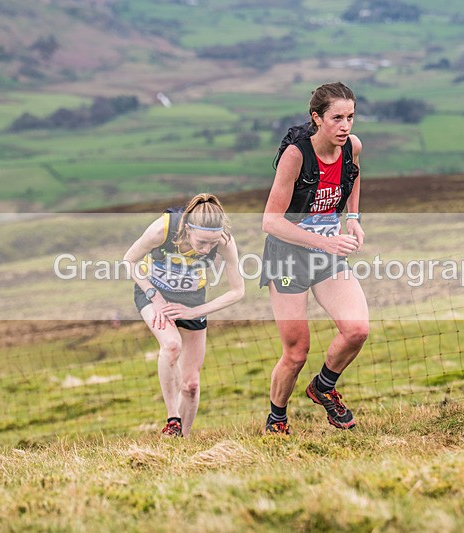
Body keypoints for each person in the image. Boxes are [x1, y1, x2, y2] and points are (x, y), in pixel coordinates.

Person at [260, 81, 369, 435]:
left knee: (356, 330)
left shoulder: (351, 147)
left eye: (350, 117)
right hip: (288, 257)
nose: (345, 126)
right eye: (337, 118)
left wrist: (352, 219)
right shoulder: (296, 155)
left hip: (327, 251)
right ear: (316, 118)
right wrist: (325, 244)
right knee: (296, 352)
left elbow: (353, 179)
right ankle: (277, 418)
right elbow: (270, 222)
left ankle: (322, 387)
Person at [124, 193, 244, 437]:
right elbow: (129, 261)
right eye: (202, 242)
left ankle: (183, 441)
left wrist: (194, 311)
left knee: (191, 385)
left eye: (212, 244)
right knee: (171, 345)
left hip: (192, 302)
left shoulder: (224, 241)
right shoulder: (162, 230)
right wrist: (154, 297)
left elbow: (237, 291)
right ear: (187, 229)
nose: (207, 249)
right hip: (153, 293)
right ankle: (172, 420)